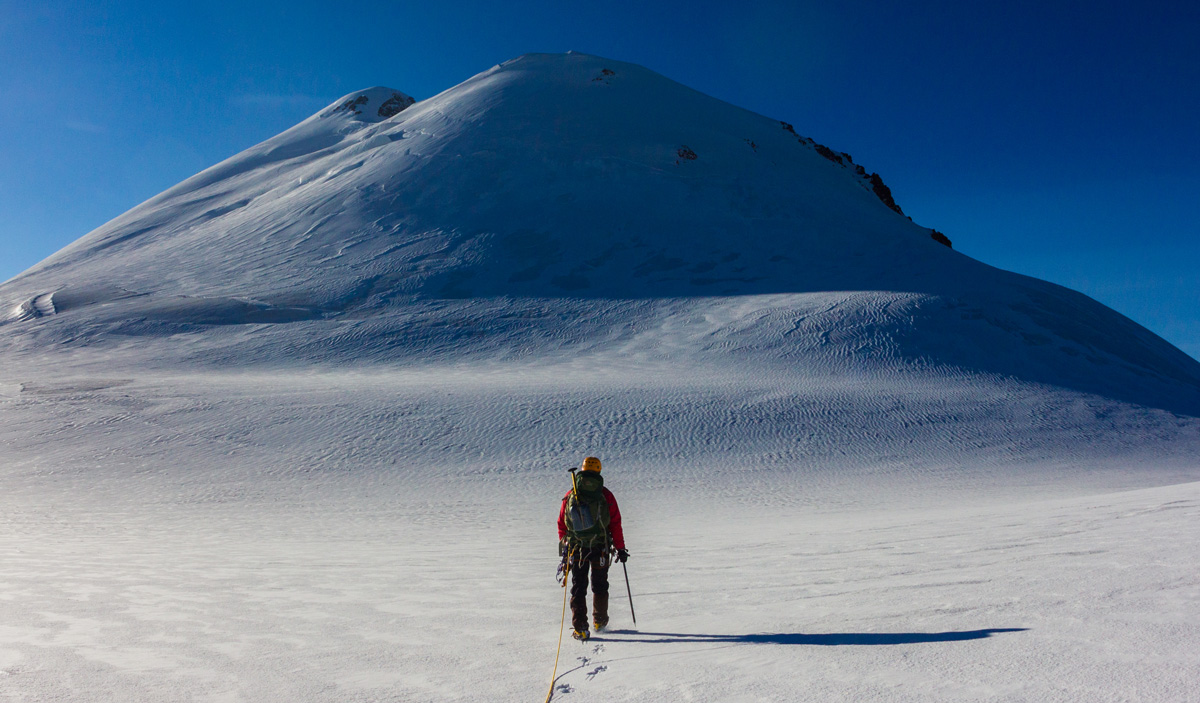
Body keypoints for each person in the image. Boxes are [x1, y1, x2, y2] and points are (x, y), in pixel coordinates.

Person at [557, 456, 628, 641]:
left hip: (577, 548)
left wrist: (566, 546)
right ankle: (600, 621)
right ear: (599, 471)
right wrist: (620, 548)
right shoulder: (606, 495)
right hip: (600, 547)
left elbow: (561, 524)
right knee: (600, 585)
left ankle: (580, 627)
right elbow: (615, 523)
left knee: (578, 587)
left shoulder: (572, 493)